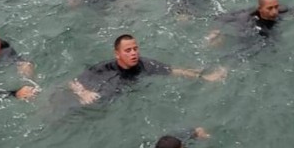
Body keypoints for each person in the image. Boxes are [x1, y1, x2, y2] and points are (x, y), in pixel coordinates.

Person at [68, 34, 226, 105]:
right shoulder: (102, 68)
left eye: (135, 49)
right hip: (96, 97)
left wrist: (205, 77)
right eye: (128, 50)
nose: (134, 53)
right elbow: (73, 82)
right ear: (117, 54)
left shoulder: (146, 65)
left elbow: (174, 71)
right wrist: (83, 93)